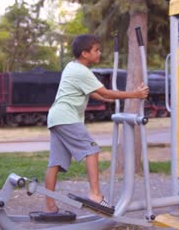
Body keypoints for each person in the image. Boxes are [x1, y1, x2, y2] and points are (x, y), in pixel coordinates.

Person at [43, 34, 149, 216]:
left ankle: (49, 206)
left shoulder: (71, 66)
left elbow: (97, 95)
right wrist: (135, 94)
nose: (99, 53)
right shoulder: (82, 71)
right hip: (67, 117)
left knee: (56, 162)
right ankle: (95, 195)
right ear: (85, 53)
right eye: (96, 50)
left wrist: (112, 98)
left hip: (55, 118)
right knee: (92, 150)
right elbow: (105, 93)